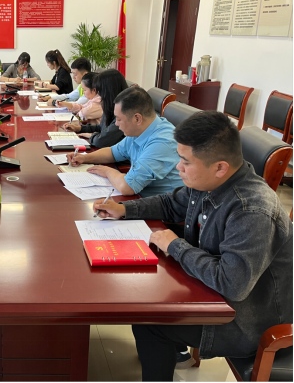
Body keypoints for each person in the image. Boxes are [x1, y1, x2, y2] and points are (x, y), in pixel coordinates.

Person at [92, 111, 293, 381]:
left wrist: (175, 246)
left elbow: (232, 283)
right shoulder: (211, 181)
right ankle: (163, 354)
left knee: (150, 321)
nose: (179, 167)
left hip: (248, 319)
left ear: (220, 167)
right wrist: (124, 210)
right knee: (149, 297)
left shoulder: (252, 210)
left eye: (185, 162)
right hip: (218, 296)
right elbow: (170, 203)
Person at [67, 86, 182, 197]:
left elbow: (127, 187)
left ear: (137, 118)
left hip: (161, 207)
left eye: (119, 119)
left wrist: (107, 172)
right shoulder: (140, 129)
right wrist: (84, 158)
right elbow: (113, 152)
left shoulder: (162, 142)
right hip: (141, 198)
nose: (116, 124)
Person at [63, 69, 127, 148]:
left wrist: (92, 136)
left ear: (109, 91)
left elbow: (101, 141)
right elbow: (101, 127)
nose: (99, 95)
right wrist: (80, 128)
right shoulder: (110, 105)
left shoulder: (123, 112)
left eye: (100, 91)